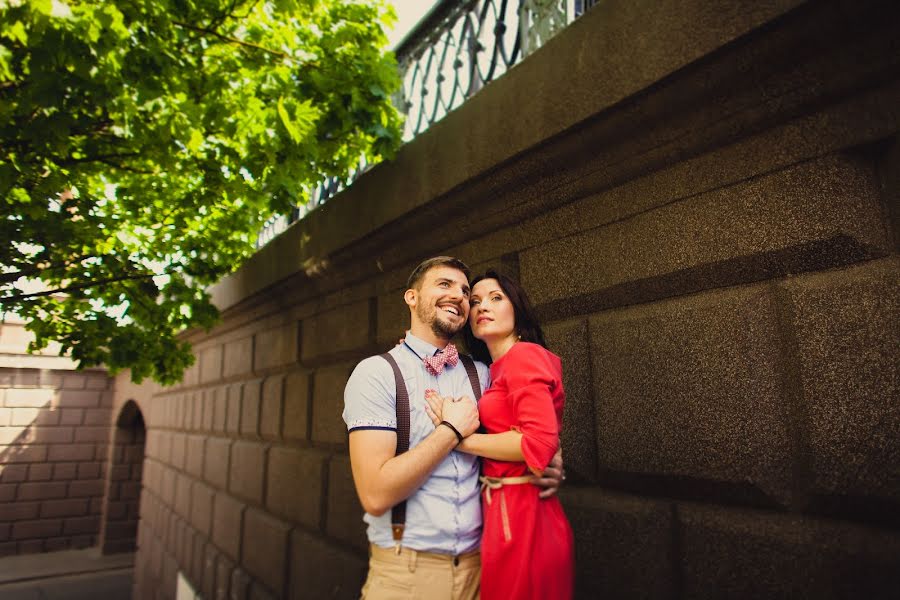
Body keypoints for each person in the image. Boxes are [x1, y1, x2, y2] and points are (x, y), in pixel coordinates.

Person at [343, 257, 564, 600]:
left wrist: (554, 462)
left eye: (464, 290)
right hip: (410, 574)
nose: (460, 296)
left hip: (484, 568)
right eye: (444, 284)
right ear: (411, 298)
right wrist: (450, 431)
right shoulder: (377, 374)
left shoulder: (483, 372)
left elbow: (532, 425)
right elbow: (375, 495)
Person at [423, 270, 574, 600]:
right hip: (504, 510)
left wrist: (458, 439)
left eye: (495, 298)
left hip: (524, 515)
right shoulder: (493, 369)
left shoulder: (524, 356)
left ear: (516, 309)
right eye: (474, 301)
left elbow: (538, 442)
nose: (481, 306)